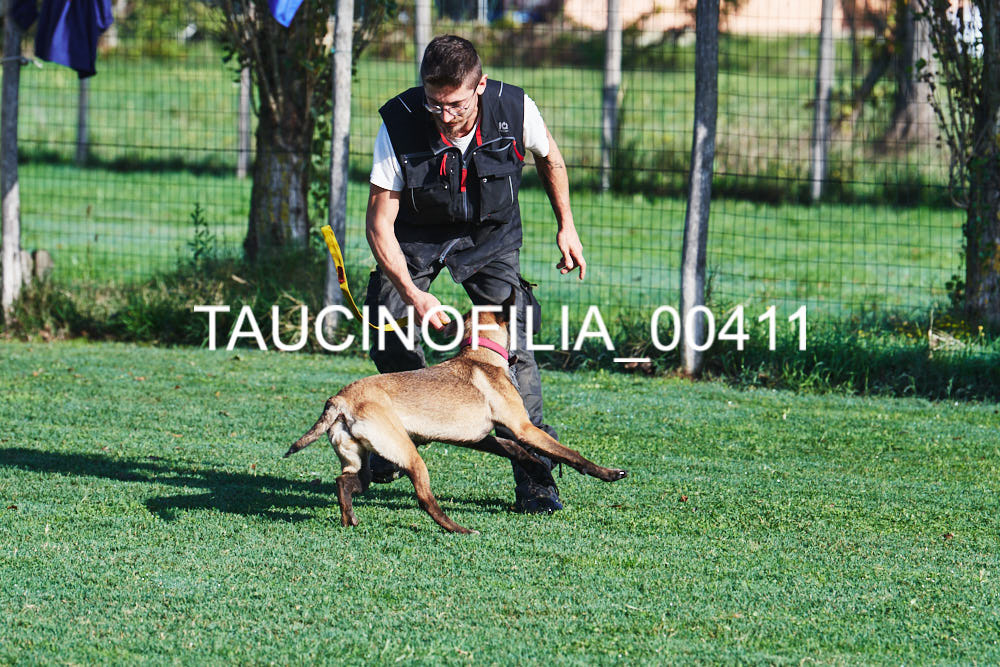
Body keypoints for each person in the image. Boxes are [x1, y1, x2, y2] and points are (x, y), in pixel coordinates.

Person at [364, 34, 586, 514]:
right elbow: (379, 224)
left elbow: (550, 158)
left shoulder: (515, 109)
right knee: (386, 323)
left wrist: (566, 225)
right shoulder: (399, 122)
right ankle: (407, 427)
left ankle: (535, 477)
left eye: (456, 105)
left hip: (491, 237)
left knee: (515, 349)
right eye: (435, 103)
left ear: (479, 86)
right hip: (417, 236)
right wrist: (412, 294)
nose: (444, 115)